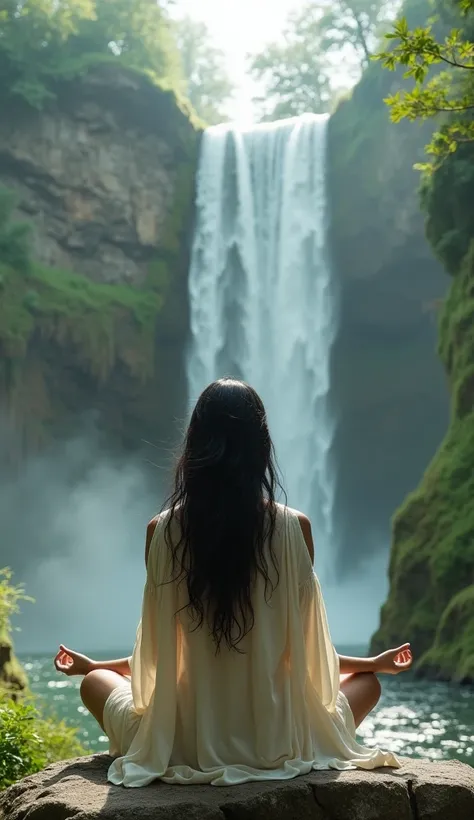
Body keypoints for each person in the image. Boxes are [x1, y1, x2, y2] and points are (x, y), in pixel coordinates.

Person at [54, 378, 413, 787]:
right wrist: (371, 666)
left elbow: (157, 661)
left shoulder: (161, 531)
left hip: (183, 743)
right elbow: (307, 656)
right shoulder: (296, 528)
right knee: (366, 685)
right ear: (261, 448)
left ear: (194, 445)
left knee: (96, 684)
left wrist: (95, 667)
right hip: (282, 739)